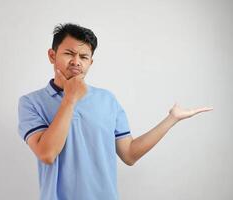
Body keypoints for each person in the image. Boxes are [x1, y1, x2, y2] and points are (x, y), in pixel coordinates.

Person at [17, 23, 213, 200]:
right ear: (52, 55)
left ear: (90, 62)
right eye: (69, 53)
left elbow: (129, 154)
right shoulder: (31, 103)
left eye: (84, 56)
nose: (76, 61)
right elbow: (47, 154)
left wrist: (171, 119)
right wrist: (70, 98)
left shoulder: (107, 99)